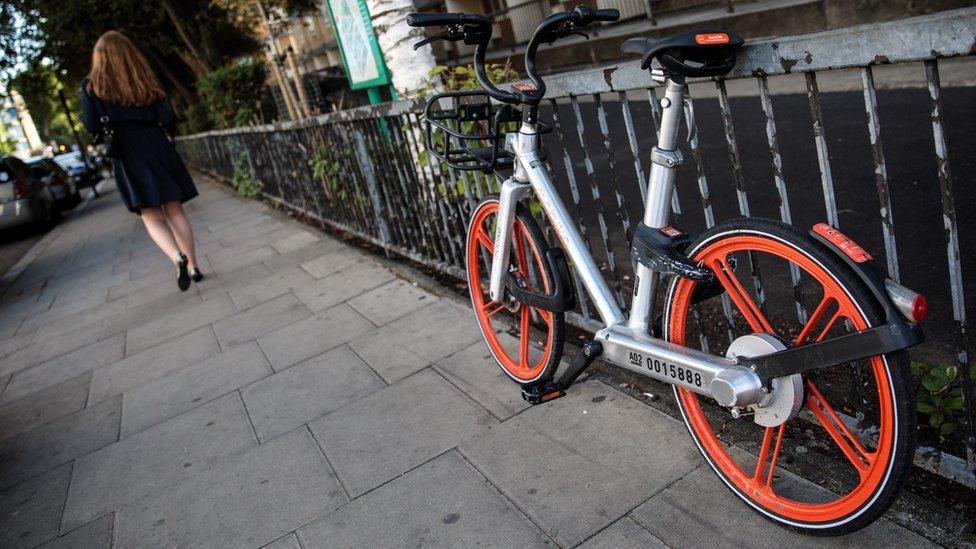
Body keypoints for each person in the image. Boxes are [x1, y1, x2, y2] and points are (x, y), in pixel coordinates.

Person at [80, 30, 202, 291]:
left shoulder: (91, 86)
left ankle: (176, 257)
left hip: (127, 150)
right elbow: (167, 117)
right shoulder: (143, 79)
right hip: (155, 142)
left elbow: (91, 124)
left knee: (150, 214)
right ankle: (193, 265)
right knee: (174, 208)